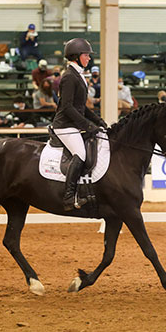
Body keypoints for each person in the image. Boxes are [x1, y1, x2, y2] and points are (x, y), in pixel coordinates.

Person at [52, 38, 107, 211]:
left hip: (73, 125)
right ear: (76, 56)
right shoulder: (69, 77)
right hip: (64, 126)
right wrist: (88, 125)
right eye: (86, 55)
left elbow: (81, 107)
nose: (89, 58)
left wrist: (98, 121)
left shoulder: (79, 75)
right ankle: (68, 197)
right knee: (81, 153)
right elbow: (67, 107)